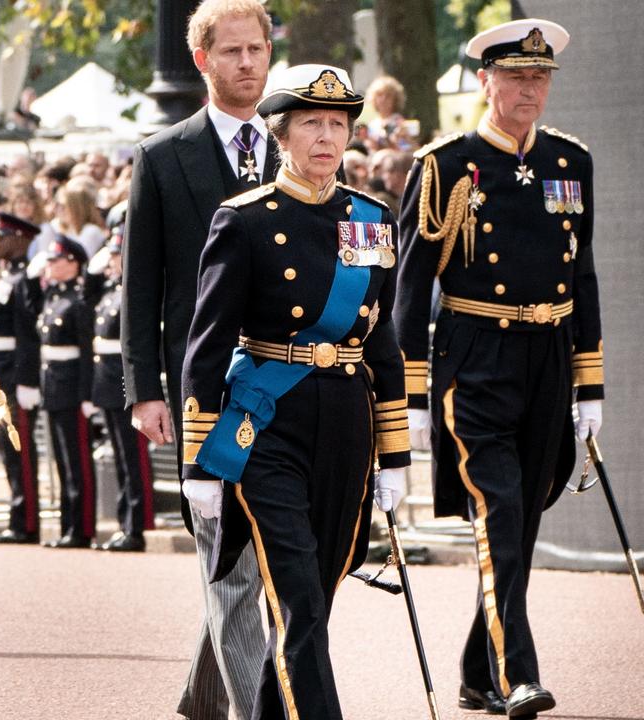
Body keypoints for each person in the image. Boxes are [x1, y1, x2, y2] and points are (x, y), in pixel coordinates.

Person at [183, 64, 409, 720]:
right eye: (311, 122)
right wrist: (200, 459)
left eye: (338, 124)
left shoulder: (372, 219)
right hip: (267, 424)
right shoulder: (245, 220)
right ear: (281, 134)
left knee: (313, 609)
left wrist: (395, 453)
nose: (326, 137)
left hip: (345, 425)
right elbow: (208, 339)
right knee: (299, 604)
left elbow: (383, 341)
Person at [393, 19, 600, 718]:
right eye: (515, 76)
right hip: (474, 358)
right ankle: (518, 675)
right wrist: (412, 396)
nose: (529, 90)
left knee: (523, 521)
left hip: (547, 359)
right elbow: (409, 287)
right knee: (501, 512)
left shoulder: (572, 163)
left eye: (539, 78)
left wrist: (589, 382)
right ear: (485, 79)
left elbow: (585, 277)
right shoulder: (445, 164)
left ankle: (477, 673)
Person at [121, 1, 277, 716]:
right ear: (202, 60)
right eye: (233, 51)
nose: (247, 63)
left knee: (256, 564)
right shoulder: (161, 156)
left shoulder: (298, 144)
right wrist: (143, 390)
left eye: (257, 49)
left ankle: (202, 698)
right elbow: (140, 286)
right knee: (232, 564)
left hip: (291, 384)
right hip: (202, 393)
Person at [86, 229, 153, 552]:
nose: (112, 262)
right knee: (122, 458)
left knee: (133, 458)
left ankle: (135, 525)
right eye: (111, 257)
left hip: (126, 384)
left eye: (117, 256)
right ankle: (125, 522)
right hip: (108, 383)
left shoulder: (133, 291)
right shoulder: (111, 291)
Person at [0, 212, 43, 544]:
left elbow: (28, 335)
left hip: (14, 375)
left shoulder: (24, 280)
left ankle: (27, 522)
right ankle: (16, 517)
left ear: (17, 240)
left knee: (20, 449)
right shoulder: (0, 277)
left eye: (0, 235)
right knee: (6, 450)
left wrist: (27, 381)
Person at [34, 235, 96, 547]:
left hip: (73, 388)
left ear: (73, 263)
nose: (50, 265)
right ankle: (66, 525)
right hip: (54, 386)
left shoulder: (79, 301)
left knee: (77, 461)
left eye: (56, 260)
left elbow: (87, 354)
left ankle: (82, 528)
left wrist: (87, 395)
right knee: (62, 461)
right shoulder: (54, 297)